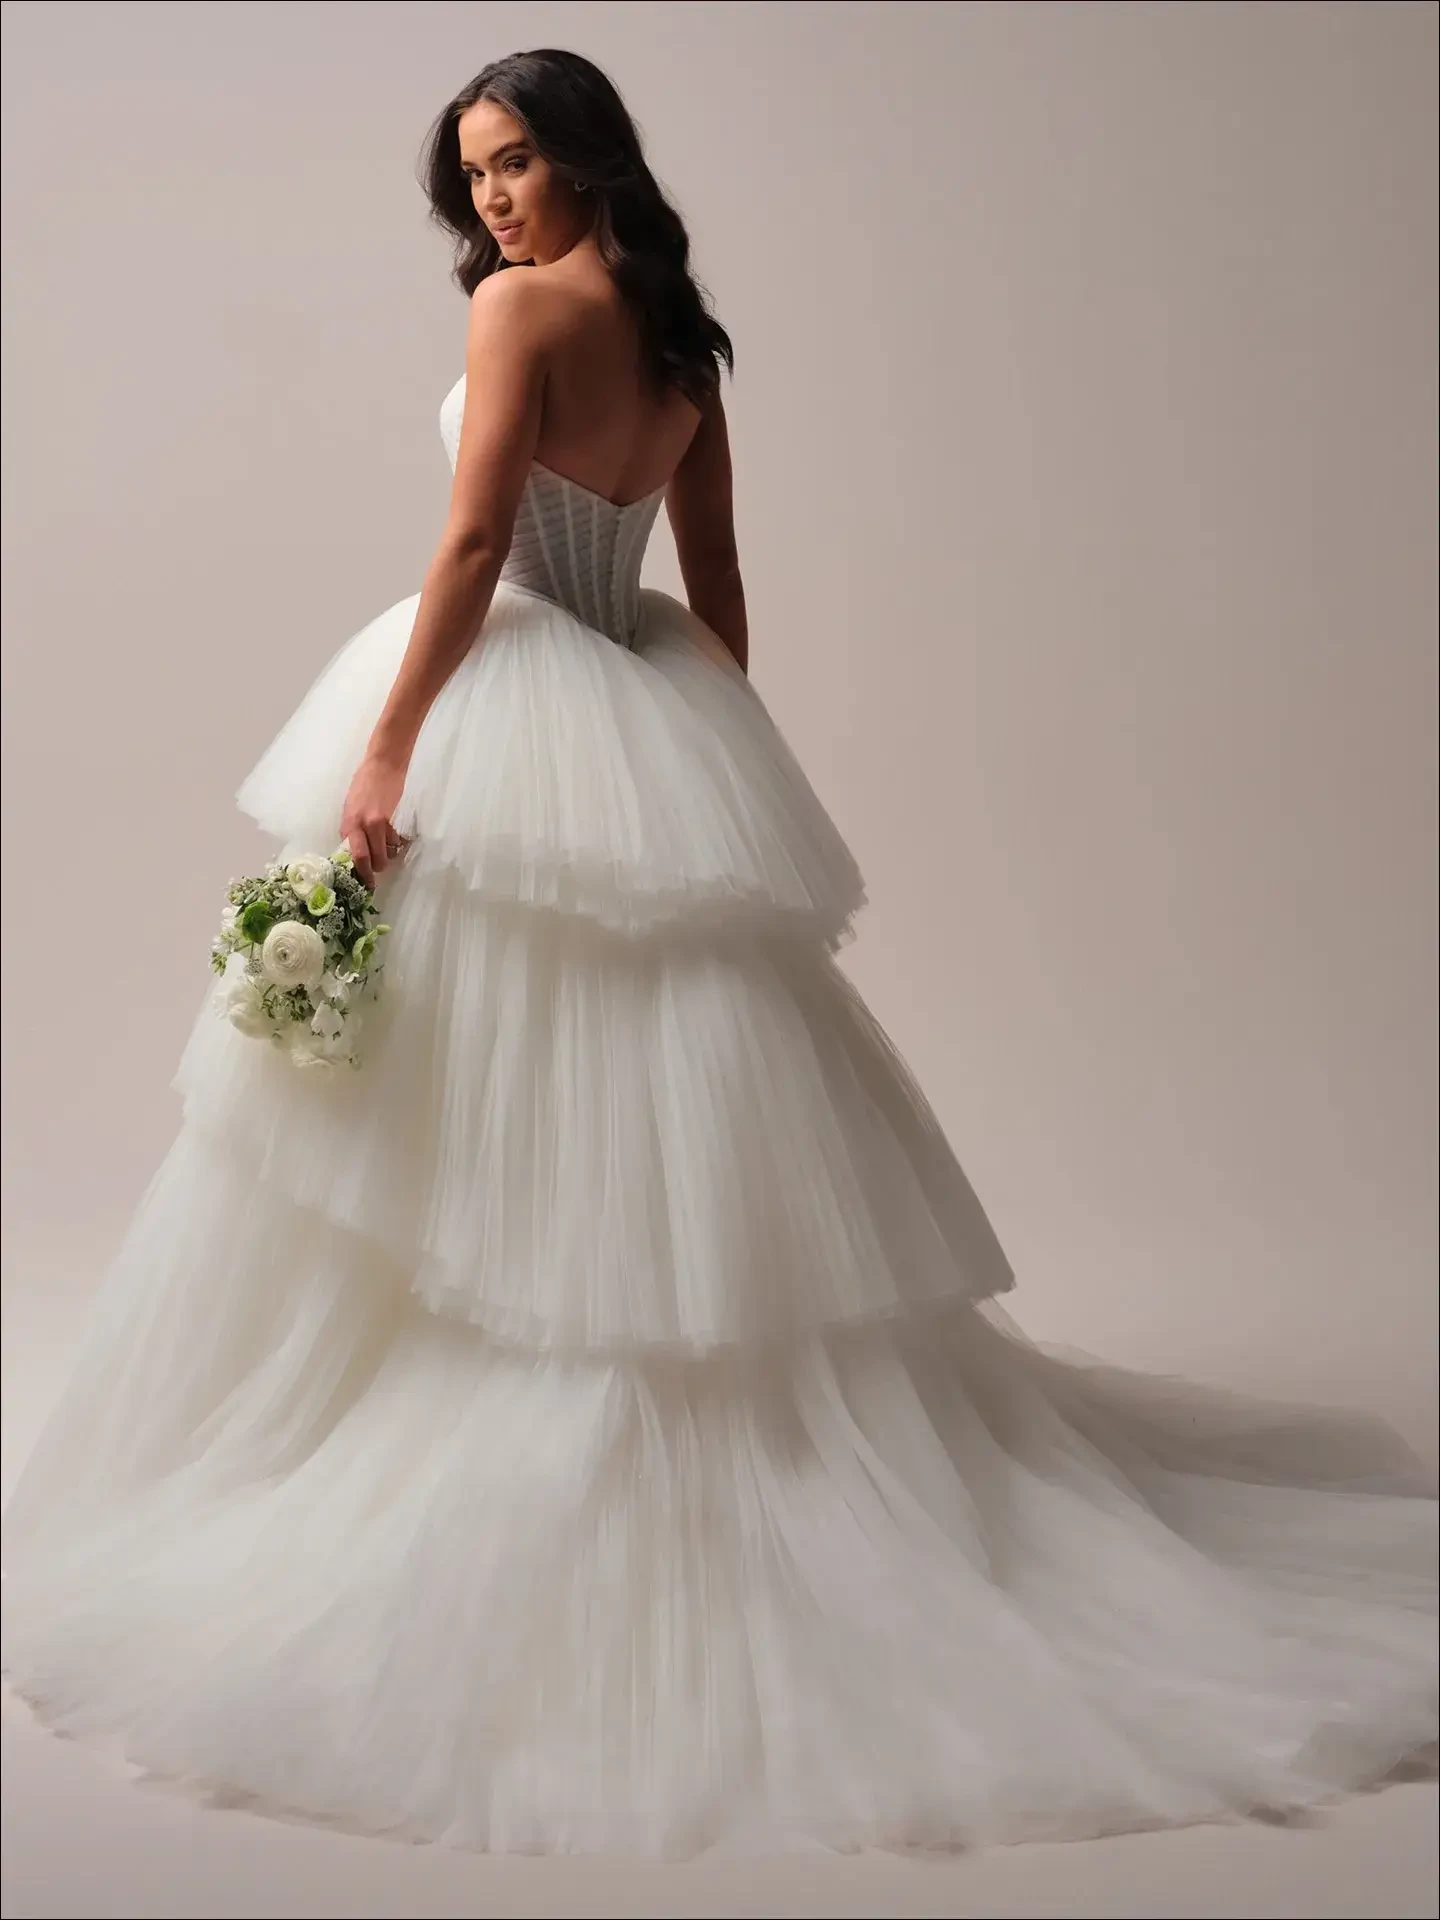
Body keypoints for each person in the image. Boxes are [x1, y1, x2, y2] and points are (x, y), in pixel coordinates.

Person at [2, 47, 1434, 1860]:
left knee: (430, 1094)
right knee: (611, 1101)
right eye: (475, 177)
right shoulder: (687, 353)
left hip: (506, 677)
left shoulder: (522, 314)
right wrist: (698, 764)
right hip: (629, 691)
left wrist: (390, 745)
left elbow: (467, 543)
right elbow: (718, 580)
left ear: (588, 157)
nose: (494, 202)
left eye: (517, 162)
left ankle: (485, 1437)